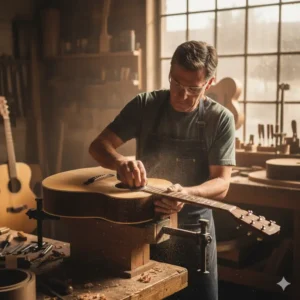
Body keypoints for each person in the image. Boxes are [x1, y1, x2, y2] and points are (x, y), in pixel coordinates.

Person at [89, 40, 236, 300]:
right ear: (170, 71)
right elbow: (98, 146)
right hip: (145, 226)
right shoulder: (145, 105)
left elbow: (222, 183)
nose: (181, 95)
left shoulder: (220, 119)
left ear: (209, 83)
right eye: (176, 83)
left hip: (194, 230)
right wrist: (120, 162)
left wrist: (185, 193)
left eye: (193, 88)